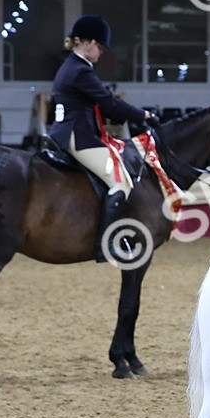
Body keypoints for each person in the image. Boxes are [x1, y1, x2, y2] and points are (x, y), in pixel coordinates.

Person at [49, 14, 154, 262]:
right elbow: (108, 101)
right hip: (78, 136)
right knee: (122, 182)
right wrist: (144, 115)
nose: (101, 52)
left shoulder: (71, 66)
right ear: (86, 42)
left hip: (72, 131)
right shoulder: (80, 70)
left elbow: (103, 106)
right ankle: (108, 244)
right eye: (99, 47)